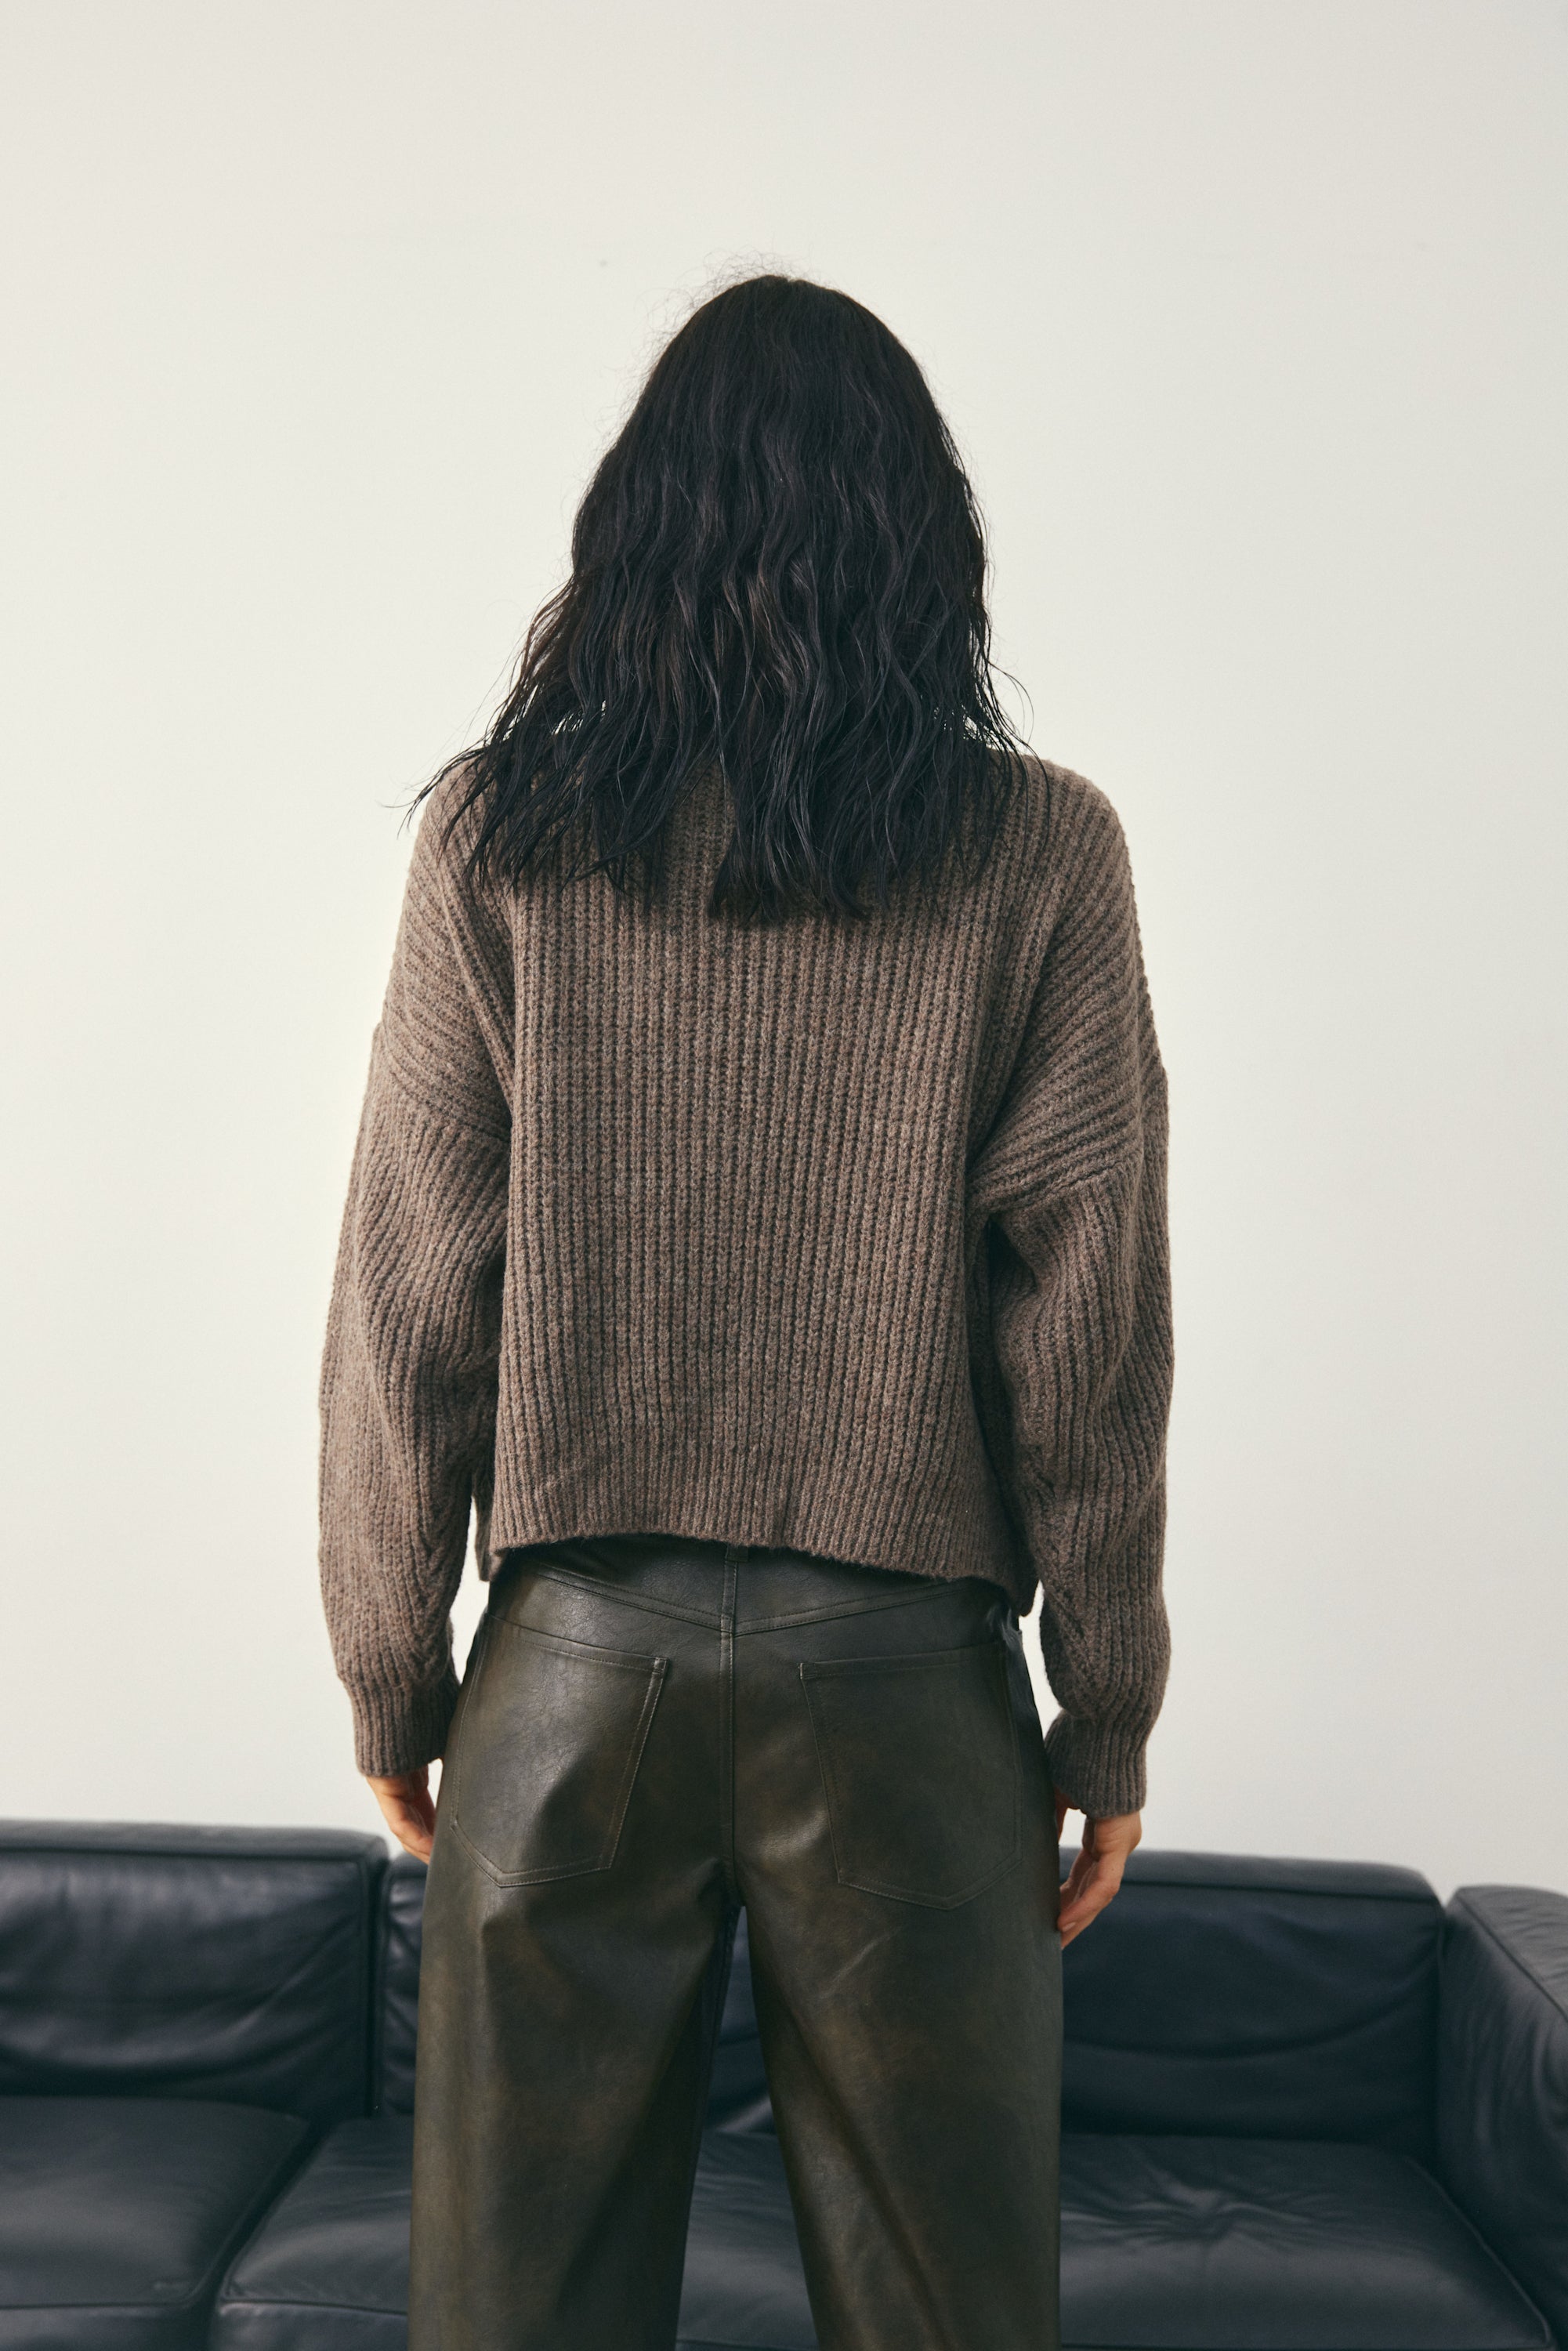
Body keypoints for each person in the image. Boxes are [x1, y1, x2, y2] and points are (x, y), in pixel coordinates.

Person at [318, 272, 1172, 2351]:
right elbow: (1089, 1335)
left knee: (512, 2315)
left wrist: (390, 1672)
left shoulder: (499, 844)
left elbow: (412, 1290)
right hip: (907, 1698)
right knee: (949, 2314)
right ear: (931, 546)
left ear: (628, 537)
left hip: (569, 1677)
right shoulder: (1042, 854)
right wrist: (1105, 1711)